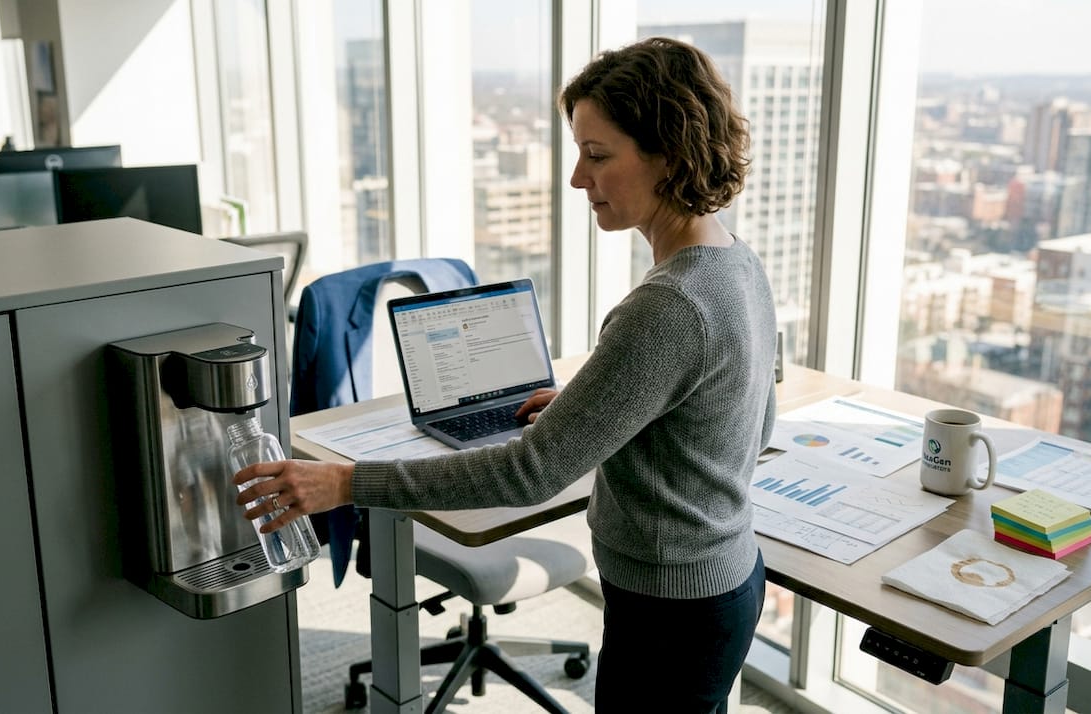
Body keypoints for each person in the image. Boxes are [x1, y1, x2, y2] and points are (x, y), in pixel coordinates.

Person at [235, 36, 777, 713]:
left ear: (669, 153)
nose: (579, 178)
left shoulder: (668, 307)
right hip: (727, 577)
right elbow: (748, 419)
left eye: (598, 156)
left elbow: (528, 475)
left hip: (671, 607)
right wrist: (597, 406)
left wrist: (347, 483)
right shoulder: (734, 261)